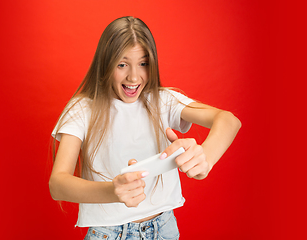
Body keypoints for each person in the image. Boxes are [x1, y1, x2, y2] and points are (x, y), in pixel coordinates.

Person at [49, 16, 241, 240]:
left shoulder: (162, 100)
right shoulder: (82, 109)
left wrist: (205, 157)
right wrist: (113, 191)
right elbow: (58, 184)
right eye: (122, 64)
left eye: (143, 63)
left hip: (164, 228)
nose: (133, 76)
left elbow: (229, 120)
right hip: (108, 233)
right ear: (105, 64)